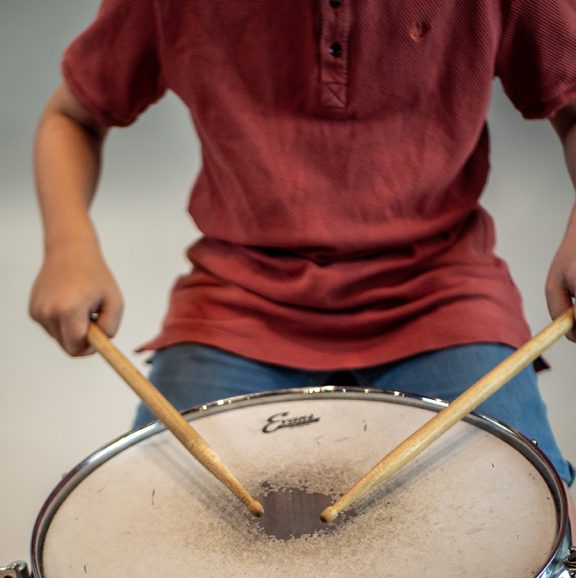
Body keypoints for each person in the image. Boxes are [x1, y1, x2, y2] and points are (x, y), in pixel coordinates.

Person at [29, 1, 575, 488]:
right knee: (142, 529)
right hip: (242, 295)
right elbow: (71, 115)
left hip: (441, 288)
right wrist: (67, 243)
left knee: (521, 515)